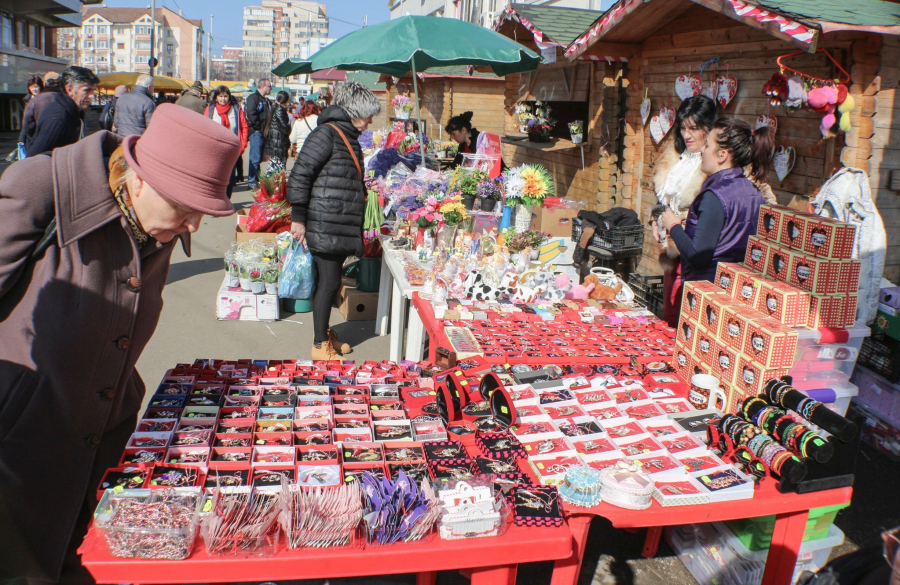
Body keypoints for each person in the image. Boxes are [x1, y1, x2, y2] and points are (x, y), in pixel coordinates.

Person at [0, 103, 240, 584]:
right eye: (186, 208)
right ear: (140, 177)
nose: (193, 226)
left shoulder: (158, 222)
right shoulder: (39, 190)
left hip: (104, 440)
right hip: (21, 450)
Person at [287, 81, 381, 359]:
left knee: (331, 282)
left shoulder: (346, 136)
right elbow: (300, 175)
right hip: (325, 223)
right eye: (367, 115)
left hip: (337, 223)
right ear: (353, 112)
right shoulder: (326, 134)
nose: (370, 121)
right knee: (327, 283)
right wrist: (298, 218)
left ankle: (324, 333)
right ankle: (319, 345)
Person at [660, 117, 774, 283]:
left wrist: (673, 226)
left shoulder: (714, 195)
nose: (702, 150)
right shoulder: (755, 193)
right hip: (738, 289)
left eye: (707, 145)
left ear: (722, 155)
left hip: (708, 292)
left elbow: (698, 257)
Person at [650, 95, 717, 326]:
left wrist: (681, 222)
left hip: (694, 252)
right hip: (670, 251)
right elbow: (663, 198)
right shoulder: (676, 156)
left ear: (709, 129)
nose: (686, 135)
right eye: (683, 128)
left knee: (685, 323)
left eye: (694, 128)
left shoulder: (712, 165)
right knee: (670, 316)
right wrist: (656, 218)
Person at [26, 66, 98, 155]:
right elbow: (34, 157)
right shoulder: (59, 118)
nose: (91, 96)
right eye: (86, 90)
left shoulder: (73, 111)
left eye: (93, 91)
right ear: (69, 89)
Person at [205, 85, 249, 198]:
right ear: (216, 98)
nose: (223, 99)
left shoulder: (236, 108)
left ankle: (226, 200)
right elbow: (204, 126)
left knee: (229, 177)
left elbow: (244, 126)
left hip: (232, 148)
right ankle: (215, 200)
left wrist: (242, 145)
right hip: (215, 148)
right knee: (215, 175)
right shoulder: (210, 109)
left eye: (225, 96)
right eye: (220, 96)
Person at [245, 78, 273, 190]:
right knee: (255, 157)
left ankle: (256, 179)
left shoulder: (264, 100)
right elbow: (251, 113)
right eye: (269, 86)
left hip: (263, 132)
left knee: (259, 158)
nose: (270, 88)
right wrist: (257, 127)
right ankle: (252, 182)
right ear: (263, 86)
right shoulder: (253, 98)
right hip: (257, 132)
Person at [264, 90, 292, 168]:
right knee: (277, 167)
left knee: (274, 165)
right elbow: (284, 126)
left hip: (275, 142)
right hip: (278, 143)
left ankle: (271, 179)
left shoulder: (276, 108)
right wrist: (289, 127)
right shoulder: (280, 110)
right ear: (285, 101)